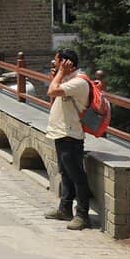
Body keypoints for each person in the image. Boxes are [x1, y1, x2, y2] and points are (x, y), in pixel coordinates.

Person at [44, 49, 92, 231]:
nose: (53, 64)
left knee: (77, 175)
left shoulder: (78, 82)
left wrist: (60, 75)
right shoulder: (69, 79)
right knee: (66, 173)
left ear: (65, 63)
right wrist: (59, 75)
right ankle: (65, 209)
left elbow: (52, 91)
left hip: (71, 136)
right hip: (61, 133)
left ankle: (82, 215)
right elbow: (54, 95)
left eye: (56, 62)